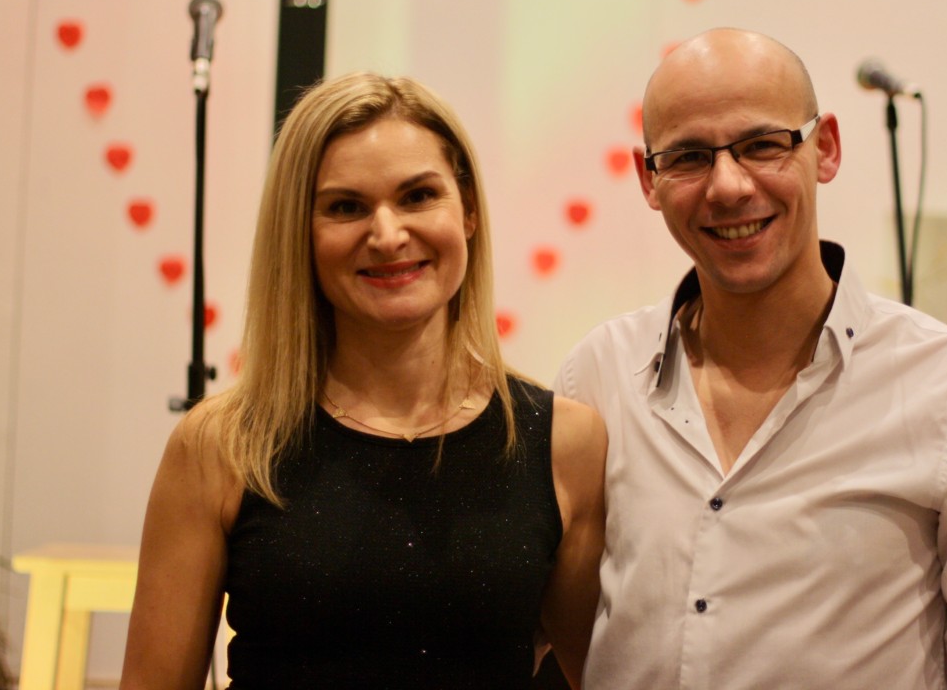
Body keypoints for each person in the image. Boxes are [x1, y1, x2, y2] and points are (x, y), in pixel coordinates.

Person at [553, 28, 947, 689]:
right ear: (649, 179)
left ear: (824, 148)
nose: (728, 186)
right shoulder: (597, 378)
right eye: (688, 157)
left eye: (762, 145)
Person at [122, 72, 606, 689]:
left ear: (468, 211)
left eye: (418, 196)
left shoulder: (564, 444)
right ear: (299, 232)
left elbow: (603, 676)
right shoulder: (222, 446)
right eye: (346, 207)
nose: (387, 235)